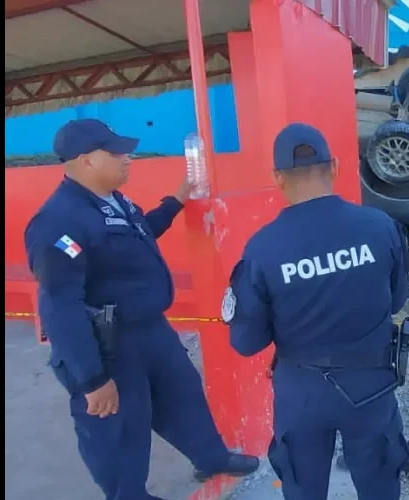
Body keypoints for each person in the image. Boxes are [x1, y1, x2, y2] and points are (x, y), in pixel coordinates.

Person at [24, 119, 259, 500]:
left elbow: (142, 231)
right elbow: (60, 306)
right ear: (86, 160)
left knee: (182, 396)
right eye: (116, 152)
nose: (127, 158)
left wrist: (177, 201)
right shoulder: (58, 222)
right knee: (119, 427)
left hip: (151, 329)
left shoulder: (113, 199)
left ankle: (211, 457)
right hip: (110, 345)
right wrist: (92, 380)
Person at [222, 122, 409, 500]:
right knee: (379, 487)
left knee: (303, 490)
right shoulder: (380, 227)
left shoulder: (261, 249)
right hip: (370, 385)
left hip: (301, 392)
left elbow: (247, 342)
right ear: (336, 167)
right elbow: (396, 300)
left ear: (278, 178)